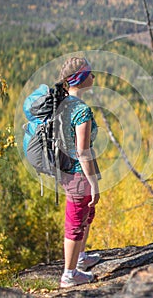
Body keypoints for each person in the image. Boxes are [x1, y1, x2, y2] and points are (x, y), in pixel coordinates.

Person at [58, 57, 101, 288]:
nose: (93, 76)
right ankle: (69, 274)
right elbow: (82, 151)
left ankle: (80, 259)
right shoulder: (81, 111)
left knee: (85, 214)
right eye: (90, 73)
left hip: (69, 172)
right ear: (81, 78)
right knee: (76, 221)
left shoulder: (64, 103)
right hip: (78, 174)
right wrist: (93, 183)